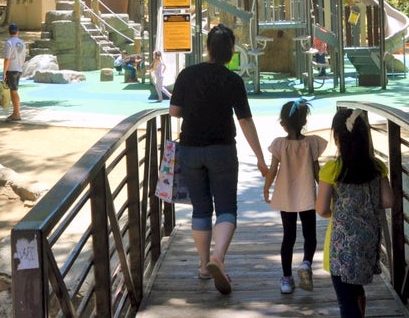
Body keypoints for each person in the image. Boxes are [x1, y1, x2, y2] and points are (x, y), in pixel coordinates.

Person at [169, 24, 269, 295]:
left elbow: (174, 112)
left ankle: (203, 265)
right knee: (226, 208)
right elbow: (245, 120)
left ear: (208, 48)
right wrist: (260, 158)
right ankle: (218, 258)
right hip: (223, 150)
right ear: (230, 52)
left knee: (201, 209)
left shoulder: (187, 75)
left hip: (190, 150)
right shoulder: (233, 81)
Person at [316, 108, 394, 318]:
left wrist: (337, 213)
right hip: (369, 239)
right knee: (356, 288)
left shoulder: (332, 169)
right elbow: (388, 200)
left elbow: (322, 208)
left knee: (345, 299)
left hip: (341, 244)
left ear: (337, 138)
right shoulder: (377, 167)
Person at [263, 99, 327, 294]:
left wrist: (266, 189)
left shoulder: (279, 145)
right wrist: (328, 191)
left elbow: (273, 171)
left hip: (286, 196)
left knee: (288, 237)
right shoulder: (312, 143)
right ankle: (306, 263)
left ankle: (286, 279)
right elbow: (317, 173)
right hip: (307, 195)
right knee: (310, 235)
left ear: (283, 123)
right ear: (303, 122)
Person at [2, 23, 26, 122]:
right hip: (18, 69)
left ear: (9, 32)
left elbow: (7, 59)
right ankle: (15, 112)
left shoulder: (9, 43)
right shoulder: (22, 43)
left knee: (14, 91)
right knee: (13, 91)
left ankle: (17, 113)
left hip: (11, 70)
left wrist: (4, 72)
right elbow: (24, 58)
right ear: (17, 31)